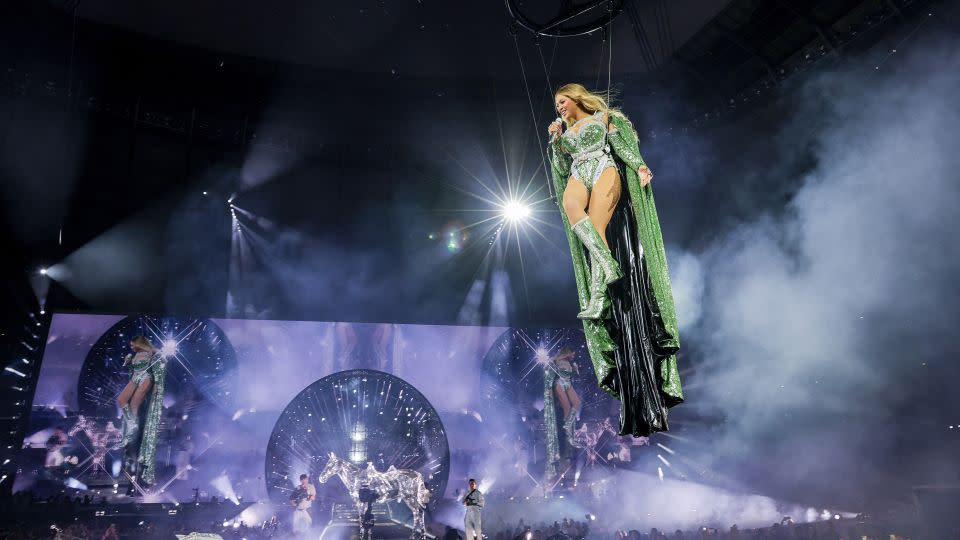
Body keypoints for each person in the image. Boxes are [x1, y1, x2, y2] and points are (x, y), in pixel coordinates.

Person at [546, 83, 683, 437]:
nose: (559, 107)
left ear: (576, 98)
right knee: (571, 208)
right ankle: (607, 266)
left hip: (604, 167)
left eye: (563, 101)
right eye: (557, 104)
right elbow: (561, 168)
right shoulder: (563, 133)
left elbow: (622, 146)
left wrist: (639, 166)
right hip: (579, 172)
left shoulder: (605, 118)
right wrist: (555, 141)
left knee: (597, 223)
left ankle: (599, 291)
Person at [116, 335, 167, 484]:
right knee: (121, 400)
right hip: (136, 377)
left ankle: (132, 428)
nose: (131, 347)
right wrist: (127, 363)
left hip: (146, 378)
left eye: (133, 344)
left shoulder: (153, 353)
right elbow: (134, 368)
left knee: (133, 405)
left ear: (140, 343)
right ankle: (131, 423)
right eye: (131, 345)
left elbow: (158, 370)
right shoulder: (137, 354)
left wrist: (157, 386)